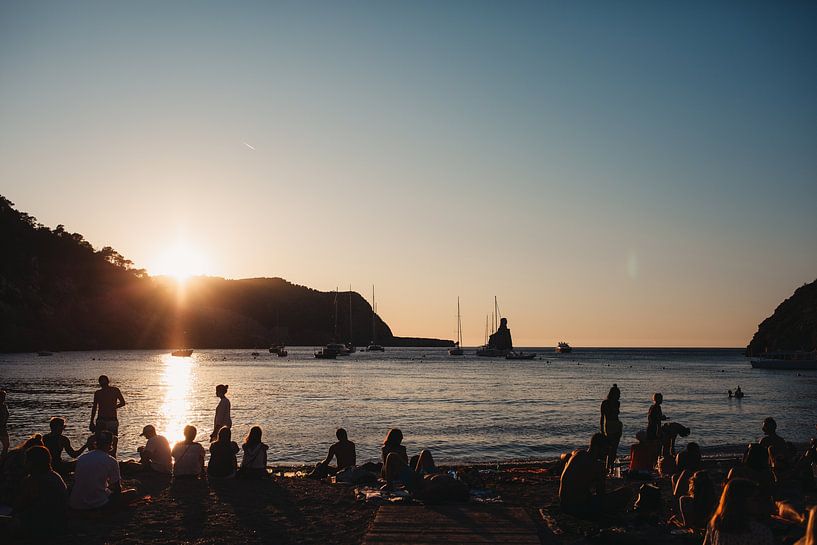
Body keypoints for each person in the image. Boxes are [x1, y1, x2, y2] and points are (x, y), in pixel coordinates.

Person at [558, 433, 632, 518]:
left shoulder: (578, 454)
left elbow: (565, 455)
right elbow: (601, 494)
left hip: (564, 504)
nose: (607, 454)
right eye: (606, 450)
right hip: (579, 507)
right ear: (597, 447)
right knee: (627, 492)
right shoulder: (598, 466)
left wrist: (565, 457)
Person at [69, 431, 137, 510]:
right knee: (132, 493)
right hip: (98, 503)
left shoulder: (82, 458)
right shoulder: (111, 461)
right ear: (111, 444)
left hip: (76, 503)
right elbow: (117, 489)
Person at [14, 445, 67, 536]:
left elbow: (20, 505)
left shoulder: (33, 481)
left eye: (26, 461)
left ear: (31, 463)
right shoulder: (55, 476)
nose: (24, 464)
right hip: (59, 524)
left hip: (42, 526)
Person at [703, 478, 774, 545]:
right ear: (741, 502)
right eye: (755, 499)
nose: (759, 503)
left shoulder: (714, 526)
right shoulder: (760, 532)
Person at [89, 375, 125, 455]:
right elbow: (122, 403)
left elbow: (94, 408)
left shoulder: (99, 393)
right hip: (109, 419)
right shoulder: (114, 390)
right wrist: (114, 407)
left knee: (101, 443)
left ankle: (102, 458)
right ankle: (111, 458)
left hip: (104, 419)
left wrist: (91, 422)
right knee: (112, 442)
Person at [599, 384, 622, 472]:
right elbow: (602, 417)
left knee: (614, 448)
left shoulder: (617, 403)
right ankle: (608, 467)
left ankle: (611, 468)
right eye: (618, 394)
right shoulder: (605, 403)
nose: (619, 396)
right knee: (610, 448)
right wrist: (602, 429)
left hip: (616, 425)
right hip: (609, 426)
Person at [0, 389, 9, 457]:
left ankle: (2, 459)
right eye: (2, 397)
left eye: (4, 397)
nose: (3, 398)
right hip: (2, 428)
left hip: (3, 428)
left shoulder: (4, 406)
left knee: (6, 445)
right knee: (6, 445)